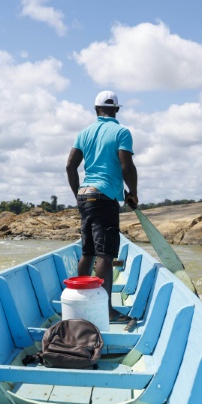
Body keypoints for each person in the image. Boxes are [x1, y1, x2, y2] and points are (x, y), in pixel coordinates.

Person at [66, 90, 138, 322]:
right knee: (105, 255)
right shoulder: (122, 132)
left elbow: (70, 166)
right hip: (105, 197)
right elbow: (126, 166)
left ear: (96, 109)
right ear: (116, 110)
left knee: (87, 252)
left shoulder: (83, 133)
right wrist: (133, 193)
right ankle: (105, 310)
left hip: (86, 195)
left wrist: (78, 193)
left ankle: (80, 298)